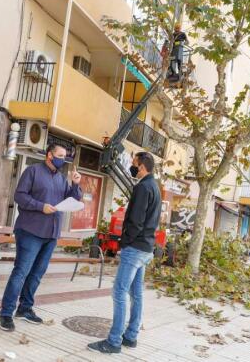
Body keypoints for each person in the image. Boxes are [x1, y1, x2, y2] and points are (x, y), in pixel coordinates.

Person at [0, 144, 82, 332]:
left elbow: (72, 200)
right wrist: (40, 206)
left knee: (37, 274)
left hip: (51, 234)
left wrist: (75, 185)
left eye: (65, 156)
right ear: (50, 155)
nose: (64, 159)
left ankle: (25, 309)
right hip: (30, 231)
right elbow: (19, 196)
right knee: (21, 272)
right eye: (60, 155)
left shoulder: (61, 179)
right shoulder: (32, 171)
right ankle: (5, 314)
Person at [88, 152, 161, 354]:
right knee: (136, 294)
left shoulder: (142, 187)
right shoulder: (155, 187)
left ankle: (113, 342)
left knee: (119, 292)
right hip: (146, 248)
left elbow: (135, 222)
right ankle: (131, 337)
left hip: (135, 248)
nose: (132, 167)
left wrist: (124, 243)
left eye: (134, 164)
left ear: (143, 167)